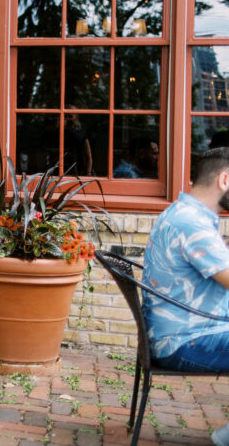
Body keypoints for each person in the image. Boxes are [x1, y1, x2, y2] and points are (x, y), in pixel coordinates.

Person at [142, 147, 229, 445]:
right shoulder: (192, 224)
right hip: (185, 340)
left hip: (191, 330)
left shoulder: (185, 213)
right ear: (225, 179)